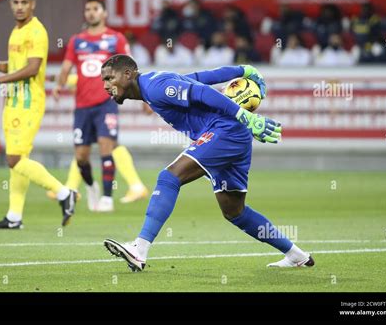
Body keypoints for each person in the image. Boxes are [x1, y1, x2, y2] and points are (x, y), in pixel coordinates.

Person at [100, 54, 315, 271]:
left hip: (224, 131)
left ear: (127, 74)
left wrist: (244, 115)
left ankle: (140, 248)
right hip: (233, 135)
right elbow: (200, 78)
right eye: (104, 81)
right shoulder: (156, 83)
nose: (106, 86)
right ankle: (296, 255)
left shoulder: (154, 87)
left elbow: (202, 91)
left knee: (169, 176)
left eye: (109, 78)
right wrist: (242, 70)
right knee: (234, 211)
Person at [0, 0, 77, 229]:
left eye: (24, 2)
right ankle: (14, 216)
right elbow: (17, 63)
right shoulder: (16, 31)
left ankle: (64, 193)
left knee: (13, 159)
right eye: (16, 2)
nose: (20, 6)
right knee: (18, 160)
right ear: (11, 4)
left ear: (32, 5)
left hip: (29, 103)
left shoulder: (36, 31)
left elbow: (32, 68)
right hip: (14, 101)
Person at [52, 0, 148, 212]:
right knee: (81, 157)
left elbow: (130, 68)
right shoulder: (77, 41)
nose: (91, 12)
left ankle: (107, 198)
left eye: (95, 9)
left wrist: (143, 96)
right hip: (82, 106)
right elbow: (67, 66)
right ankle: (91, 187)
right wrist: (59, 85)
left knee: (107, 147)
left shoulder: (116, 39)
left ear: (104, 13)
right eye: (88, 9)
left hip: (107, 103)